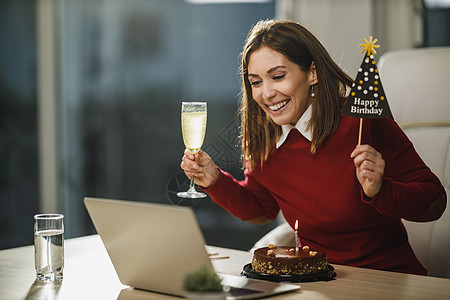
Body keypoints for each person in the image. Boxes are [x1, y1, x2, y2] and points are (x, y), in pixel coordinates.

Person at [180, 19, 446, 275]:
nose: (266, 93)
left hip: (385, 278)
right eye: (256, 82)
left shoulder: (361, 124)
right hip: (314, 279)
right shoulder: (260, 135)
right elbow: (262, 209)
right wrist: (214, 181)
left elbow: (434, 202)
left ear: (312, 73)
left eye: (278, 76)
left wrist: (381, 190)